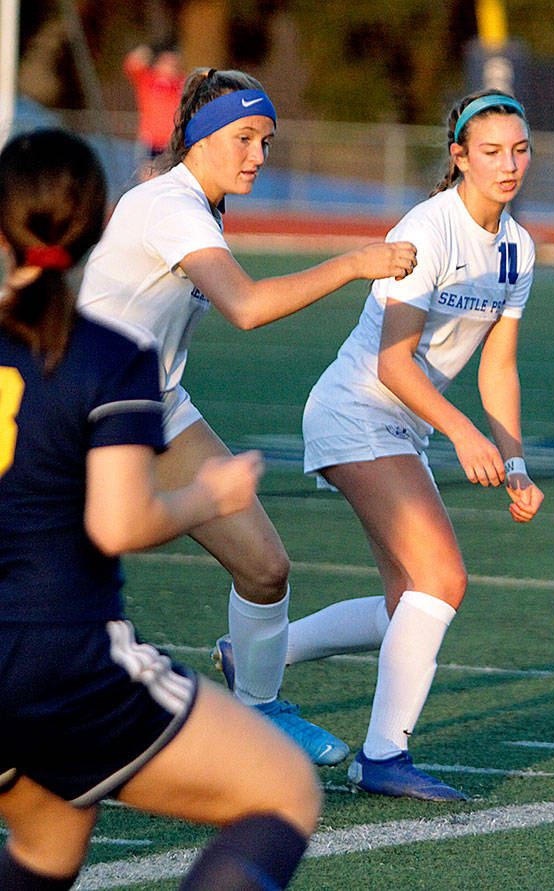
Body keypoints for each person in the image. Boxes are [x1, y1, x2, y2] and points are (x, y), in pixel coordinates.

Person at [0, 128, 321, 891]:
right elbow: (119, 524)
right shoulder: (110, 355)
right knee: (287, 789)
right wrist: (209, 494)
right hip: (61, 657)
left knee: (48, 844)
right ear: (98, 221)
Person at [78, 67, 418, 767]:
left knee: (265, 568)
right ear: (200, 139)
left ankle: (259, 713)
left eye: (265, 140)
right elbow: (248, 306)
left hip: (159, 408)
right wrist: (358, 261)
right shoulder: (170, 205)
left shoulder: (199, 205)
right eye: (244, 137)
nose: (258, 155)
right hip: (82, 416)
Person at [218, 89, 543, 801]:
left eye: (519, 149)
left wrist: (513, 457)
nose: (508, 164)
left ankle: (252, 657)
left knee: (409, 605)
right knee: (443, 578)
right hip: (356, 410)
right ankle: (383, 756)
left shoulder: (518, 248)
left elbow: (498, 366)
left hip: (402, 422)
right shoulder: (429, 229)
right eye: (490, 151)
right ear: (458, 156)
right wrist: (462, 433)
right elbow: (394, 364)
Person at [122, 41, 184, 178]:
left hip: (172, 141)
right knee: (148, 176)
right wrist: (150, 47)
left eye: (174, 63)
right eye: (167, 61)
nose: (171, 66)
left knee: (170, 178)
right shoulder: (148, 79)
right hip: (152, 139)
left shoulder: (181, 83)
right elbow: (132, 63)